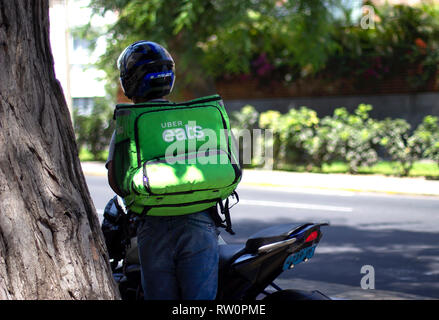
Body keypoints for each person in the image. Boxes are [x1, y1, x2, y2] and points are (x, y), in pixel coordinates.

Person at [106, 41, 219, 300]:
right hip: (199, 220)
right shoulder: (191, 120)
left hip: (152, 222)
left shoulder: (128, 124)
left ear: (129, 82)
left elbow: (116, 181)